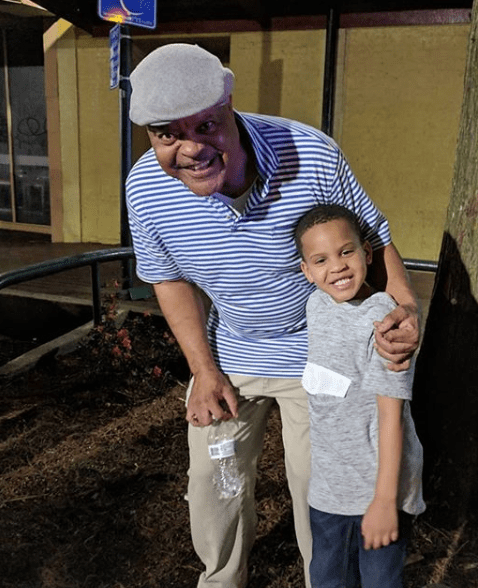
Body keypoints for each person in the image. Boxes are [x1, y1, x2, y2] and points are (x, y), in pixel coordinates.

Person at [125, 42, 420, 588]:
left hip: (318, 353)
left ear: (228, 103)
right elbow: (167, 280)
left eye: (206, 126)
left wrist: (404, 308)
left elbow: (375, 240)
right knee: (214, 486)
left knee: (322, 486)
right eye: (168, 134)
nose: (190, 148)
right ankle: (221, 580)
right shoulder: (145, 190)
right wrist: (204, 370)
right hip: (231, 351)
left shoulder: (312, 154)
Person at [294, 204, 425, 588]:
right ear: (306, 271)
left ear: (367, 253)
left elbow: (391, 417)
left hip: (378, 491)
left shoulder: (385, 321)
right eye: (320, 260)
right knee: (327, 579)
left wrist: (384, 502)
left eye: (346, 252)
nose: (336, 267)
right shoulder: (315, 305)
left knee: (380, 581)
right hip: (328, 490)